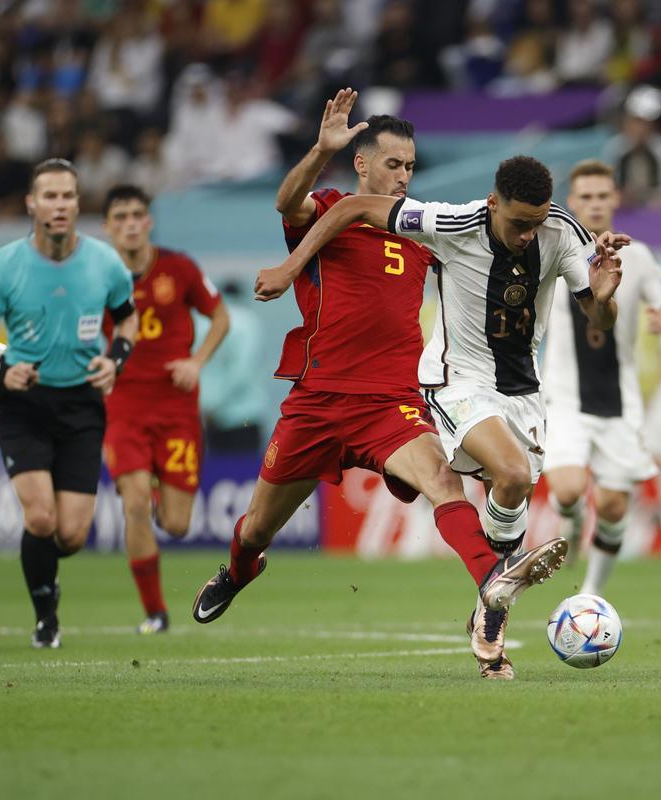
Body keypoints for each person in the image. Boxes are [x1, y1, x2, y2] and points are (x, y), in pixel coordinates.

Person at [192, 90, 570, 681]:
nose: (403, 176)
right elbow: (286, 202)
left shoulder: (423, 230)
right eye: (393, 164)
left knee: (444, 482)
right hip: (316, 400)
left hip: (390, 401)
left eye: (411, 166)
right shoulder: (329, 210)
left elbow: (487, 254)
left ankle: (493, 591)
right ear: (362, 162)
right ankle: (239, 570)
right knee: (258, 528)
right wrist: (321, 150)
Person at [253, 149, 627, 678]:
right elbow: (355, 207)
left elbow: (599, 316)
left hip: (522, 391)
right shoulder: (452, 222)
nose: (528, 235)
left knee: (514, 489)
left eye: (536, 223)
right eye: (519, 223)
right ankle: (494, 588)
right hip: (457, 381)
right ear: (494, 204)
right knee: (512, 471)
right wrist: (292, 266)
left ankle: (489, 603)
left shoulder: (562, 232)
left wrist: (606, 298)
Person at [0, 158, 138, 649]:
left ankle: (48, 576)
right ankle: (45, 616)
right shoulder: (6, 264)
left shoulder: (105, 264)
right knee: (40, 518)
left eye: (67, 196)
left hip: (81, 405)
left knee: (72, 536)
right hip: (22, 402)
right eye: (50, 196)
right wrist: (0, 370)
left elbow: (127, 320)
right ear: (31, 204)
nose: (59, 205)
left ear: (78, 204)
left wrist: (115, 359)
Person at [541, 159, 661, 596]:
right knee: (567, 488)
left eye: (603, 195)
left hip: (619, 399)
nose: (596, 204)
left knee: (615, 504)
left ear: (616, 199)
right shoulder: (552, 249)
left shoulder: (636, 256)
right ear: (572, 201)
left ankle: (590, 595)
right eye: (586, 196)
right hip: (564, 395)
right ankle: (570, 516)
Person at [102, 183, 230, 634]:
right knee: (133, 504)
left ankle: (156, 494)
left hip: (177, 410)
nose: (130, 224)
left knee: (176, 525)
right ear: (108, 227)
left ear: (149, 221)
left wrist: (196, 362)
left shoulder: (178, 268)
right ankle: (155, 613)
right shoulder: (96, 275)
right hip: (123, 409)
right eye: (120, 217)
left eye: (137, 214)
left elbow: (220, 317)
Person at [195, 280, 268, 455]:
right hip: (244, 416)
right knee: (246, 474)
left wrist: (206, 406)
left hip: (208, 418)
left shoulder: (204, 322)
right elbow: (243, 371)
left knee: (212, 473)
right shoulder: (249, 321)